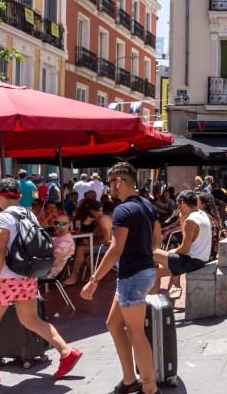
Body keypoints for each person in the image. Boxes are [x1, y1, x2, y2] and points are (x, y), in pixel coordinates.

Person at [0, 178, 82, 385]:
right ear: (18, 196)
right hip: (27, 276)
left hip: (5, 278)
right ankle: (67, 351)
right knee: (31, 320)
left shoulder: (2, 217)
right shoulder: (30, 214)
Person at [80, 162, 161, 394]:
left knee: (136, 333)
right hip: (142, 272)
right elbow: (157, 238)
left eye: (110, 184)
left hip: (132, 276)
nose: (108, 189)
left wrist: (93, 279)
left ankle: (150, 388)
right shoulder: (147, 204)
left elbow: (115, 249)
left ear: (118, 182)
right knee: (114, 324)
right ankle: (129, 380)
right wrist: (143, 252)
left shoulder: (123, 211)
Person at [150, 190, 212, 294]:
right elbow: (188, 240)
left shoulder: (191, 220)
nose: (177, 208)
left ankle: (171, 288)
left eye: (177, 204)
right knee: (154, 273)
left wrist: (169, 253)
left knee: (152, 253)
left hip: (190, 261)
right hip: (199, 260)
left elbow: (184, 249)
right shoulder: (203, 215)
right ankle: (160, 298)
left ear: (182, 203)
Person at [62, 200, 111, 286]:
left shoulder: (102, 220)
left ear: (91, 211)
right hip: (105, 246)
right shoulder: (100, 219)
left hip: (107, 247)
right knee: (80, 248)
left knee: (80, 249)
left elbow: (106, 240)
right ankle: (95, 274)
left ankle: (73, 277)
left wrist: (91, 242)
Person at [48, 214, 75, 279]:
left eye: (62, 223)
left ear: (68, 225)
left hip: (48, 272)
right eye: (56, 223)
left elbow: (53, 263)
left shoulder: (65, 243)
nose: (57, 225)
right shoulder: (60, 238)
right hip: (45, 270)